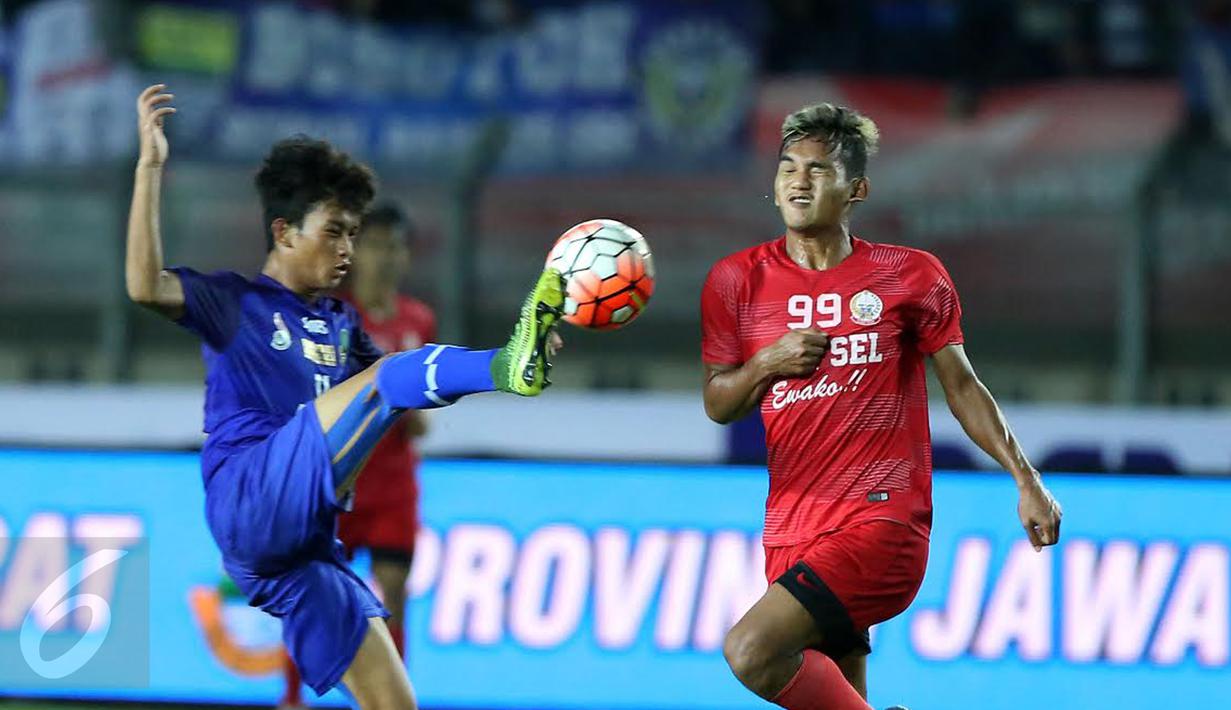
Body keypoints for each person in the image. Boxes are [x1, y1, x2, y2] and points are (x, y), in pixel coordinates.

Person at [126, 84, 563, 709]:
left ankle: (512, 363)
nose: (347, 251)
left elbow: (410, 391)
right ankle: (507, 363)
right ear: (283, 233)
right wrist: (149, 168)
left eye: (354, 234)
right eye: (334, 232)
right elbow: (144, 285)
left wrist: (457, 382)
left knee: (395, 704)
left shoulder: (340, 325)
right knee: (389, 376)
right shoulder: (234, 302)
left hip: (303, 546)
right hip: (251, 490)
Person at [700, 103, 1062, 710]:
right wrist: (766, 364)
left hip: (882, 519)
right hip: (792, 529)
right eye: (788, 166)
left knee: (751, 650)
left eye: (818, 170)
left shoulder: (909, 276)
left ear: (856, 189)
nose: (798, 180)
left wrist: (1025, 478)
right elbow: (718, 402)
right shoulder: (737, 281)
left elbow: (963, 386)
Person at [279, 204, 435, 708]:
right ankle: (293, 697)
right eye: (376, 245)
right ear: (356, 254)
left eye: (395, 246)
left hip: (394, 490)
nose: (385, 258)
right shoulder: (332, 321)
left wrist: (416, 412)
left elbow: (424, 415)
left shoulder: (418, 321)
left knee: (393, 599)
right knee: (313, 600)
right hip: (338, 485)